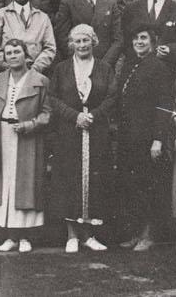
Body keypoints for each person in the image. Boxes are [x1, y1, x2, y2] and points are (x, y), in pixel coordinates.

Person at [105, 26, 176, 250]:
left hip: (148, 137)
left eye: (143, 38)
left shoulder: (159, 67)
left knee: (149, 185)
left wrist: (158, 139)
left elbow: (164, 105)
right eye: (135, 38)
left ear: (153, 41)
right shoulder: (129, 65)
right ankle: (136, 232)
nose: (139, 42)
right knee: (132, 185)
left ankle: (149, 234)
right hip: (129, 136)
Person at [47, 25, 114, 253]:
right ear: (71, 44)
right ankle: (72, 235)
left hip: (96, 131)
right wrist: (74, 116)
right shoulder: (62, 69)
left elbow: (113, 97)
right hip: (69, 131)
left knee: (95, 180)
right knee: (68, 179)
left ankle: (89, 235)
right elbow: (53, 99)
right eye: (78, 41)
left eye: (86, 40)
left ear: (93, 42)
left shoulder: (104, 68)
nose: (82, 45)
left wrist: (93, 116)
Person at [0, 38, 49, 253]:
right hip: (2, 135)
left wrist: (29, 125)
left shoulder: (40, 80)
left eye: (17, 52)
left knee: (24, 184)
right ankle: (10, 236)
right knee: (5, 184)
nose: (13, 56)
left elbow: (47, 113)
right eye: (9, 53)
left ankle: (25, 236)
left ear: (26, 55)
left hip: (28, 137)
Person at [53, 0, 121, 61]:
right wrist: (77, 61)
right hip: (76, 63)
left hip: (104, 65)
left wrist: (105, 64)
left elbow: (118, 40)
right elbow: (61, 38)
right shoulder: (68, 3)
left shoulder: (111, 4)